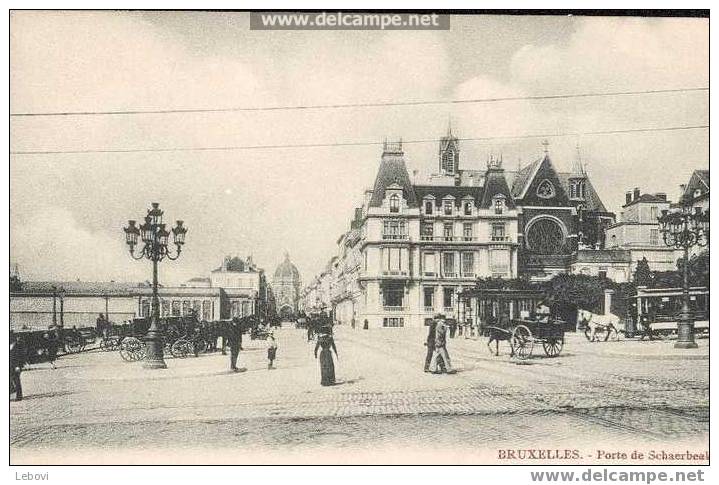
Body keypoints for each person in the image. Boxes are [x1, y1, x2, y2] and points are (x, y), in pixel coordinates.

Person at [10, 332, 24, 401]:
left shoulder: (16, 346)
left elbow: (19, 357)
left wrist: (18, 366)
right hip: (10, 366)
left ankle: (19, 396)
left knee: (16, 381)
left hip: (15, 366)